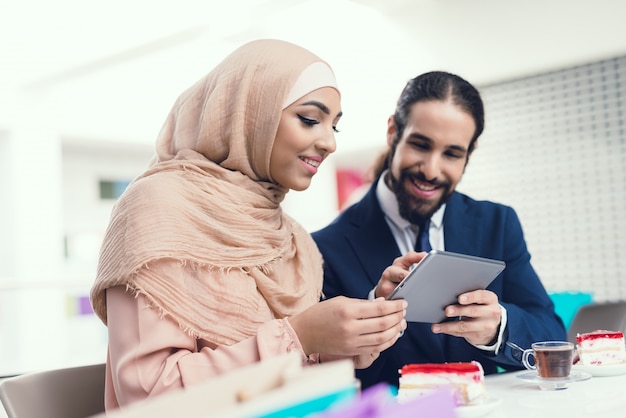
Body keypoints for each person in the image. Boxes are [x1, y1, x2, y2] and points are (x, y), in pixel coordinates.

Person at [90, 39, 408, 410]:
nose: (328, 143)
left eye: (333, 126)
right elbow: (147, 395)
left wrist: (361, 328)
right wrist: (299, 337)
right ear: (249, 114)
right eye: (310, 119)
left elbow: (300, 379)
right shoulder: (158, 209)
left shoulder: (291, 239)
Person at [311, 71, 567, 390]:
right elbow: (322, 378)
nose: (431, 170)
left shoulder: (497, 224)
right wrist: (373, 310)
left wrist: (498, 326)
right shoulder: (323, 249)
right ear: (393, 133)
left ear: (468, 155)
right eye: (420, 145)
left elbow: (554, 339)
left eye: (451, 154)